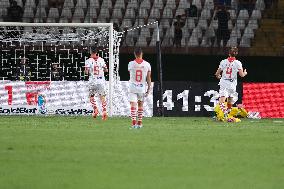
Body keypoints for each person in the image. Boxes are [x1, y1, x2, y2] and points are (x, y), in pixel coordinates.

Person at [214, 47, 248, 122]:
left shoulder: (223, 62)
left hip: (224, 81)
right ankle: (227, 114)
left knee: (222, 99)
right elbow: (242, 75)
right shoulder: (238, 63)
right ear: (236, 53)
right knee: (230, 99)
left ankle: (221, 115)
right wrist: (245, 73)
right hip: (232, 83)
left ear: (229, 53)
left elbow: (217, 73)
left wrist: (218, 75)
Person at [128, 47, 151, 129]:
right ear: (142, 54)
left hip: (132, 87)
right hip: (142, 88)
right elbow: (148, 78)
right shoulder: (147, 64)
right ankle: (140, 123)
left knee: (133, 105)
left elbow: (130, 72)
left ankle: (134, 124)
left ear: (135, 54)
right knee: (140, 105)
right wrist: (149, 88)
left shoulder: (131, 64)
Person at [85, 47, 108, 120]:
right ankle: (104, 111)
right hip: (100, 81)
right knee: (102, 97)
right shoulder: (101, 60)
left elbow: (86, 72)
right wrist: (102, 70)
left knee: (91, 96)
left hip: (92, 81)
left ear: (91, 52)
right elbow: (106, 70)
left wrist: (87, 72)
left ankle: (95, 110)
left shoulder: (88, 61)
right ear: (97, 52)